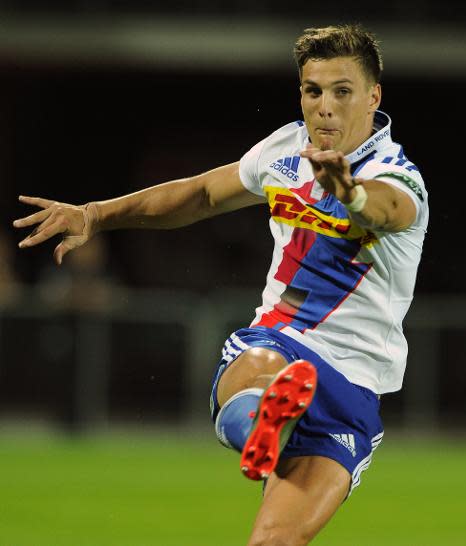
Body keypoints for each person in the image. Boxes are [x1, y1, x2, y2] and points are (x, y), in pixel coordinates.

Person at [13, 24, 428, 545]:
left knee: (274, 541)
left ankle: (266, 424)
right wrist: (96, 215)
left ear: (374, 97)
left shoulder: (396, 174)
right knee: (259, 369)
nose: (324, 106)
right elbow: (203, 194)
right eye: (312, 90)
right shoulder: (285, 151)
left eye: (341, 91)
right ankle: (265, 421)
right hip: (283, 339)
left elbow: (390, 211)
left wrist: (351, 194)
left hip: (355, 385)